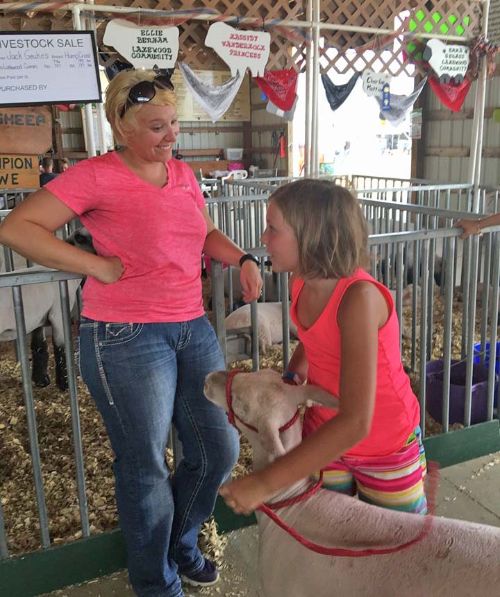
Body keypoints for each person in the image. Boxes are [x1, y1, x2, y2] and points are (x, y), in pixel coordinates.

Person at [0, 69, 262, 597]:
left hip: (191, 326)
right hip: (126, 335)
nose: (171, 137)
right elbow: (17, 228)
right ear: (122, 128)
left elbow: (202, 230)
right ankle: (155, 583)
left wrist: (242, 257)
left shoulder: (182, 175)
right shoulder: (95, 175)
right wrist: (93, 266)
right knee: (144, 464)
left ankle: (181, 543)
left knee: (218, 446)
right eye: (157, 127)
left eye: (174, 124)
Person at [219, 179, 427, 517]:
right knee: (332, 535)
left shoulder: (358, 299)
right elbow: (314, 337)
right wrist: (293, 372)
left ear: (312, 237)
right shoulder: (301, 280)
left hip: (383, 444)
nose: (263, 238)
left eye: (273, 229)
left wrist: (266, 482)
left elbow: (357, 420)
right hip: (325, 434)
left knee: (396, 543)